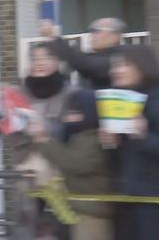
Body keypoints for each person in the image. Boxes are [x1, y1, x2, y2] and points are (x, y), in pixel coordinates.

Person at [6, 43, 76, 239]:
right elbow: (10, 132)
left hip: (60, 169)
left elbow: (76, 130)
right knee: (26, 221)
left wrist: (46, 130)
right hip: (26, 166)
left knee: (66, 219)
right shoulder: (17, 93)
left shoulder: (71, 93)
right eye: (35, 59)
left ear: (57, 62)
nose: (40, 63)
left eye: (46, 58)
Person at [28, 89, 114, 240]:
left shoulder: (93, 138)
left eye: (74, 112)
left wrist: (44, 140)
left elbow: (75, 163)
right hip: (82, 209)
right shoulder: (78, 137)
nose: (68, 118)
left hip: (93, 213)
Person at [99, 45, 159, 240]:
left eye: (124, 64)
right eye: (114, 66)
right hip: (126, 195)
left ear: (143, 66)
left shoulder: (155, 100)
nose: (116, 70)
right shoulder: (122, 102)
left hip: (151, 200)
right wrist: (111, 143)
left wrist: (143, 135)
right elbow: (122, 157)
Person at [40, 18, 125, 89]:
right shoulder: (99, 56)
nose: (92, 35)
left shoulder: (120, 58)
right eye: (92, 31)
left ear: (115, 36)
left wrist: (52, 36)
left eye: (97, 31)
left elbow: (83, 62)